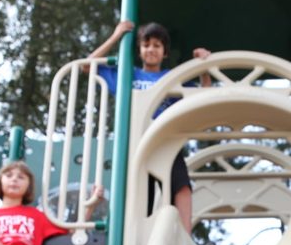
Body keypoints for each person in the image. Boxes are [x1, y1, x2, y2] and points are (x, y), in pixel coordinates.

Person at [88, 20, 211, 231]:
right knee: (140, 196)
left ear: (164, 52)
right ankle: (137, 237)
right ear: (139, 50)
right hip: (135, 142)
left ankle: (184, 237)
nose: (151, 49)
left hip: (164, 141)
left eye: (157, 45)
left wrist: (204, 67)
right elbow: (87, 65)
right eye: (146, 45)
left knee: (181, 188)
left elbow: (203, 95)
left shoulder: (171, 78)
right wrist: (116, 35)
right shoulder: (127, 74)